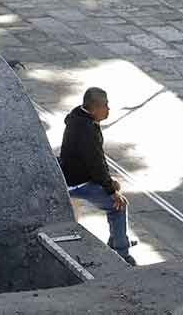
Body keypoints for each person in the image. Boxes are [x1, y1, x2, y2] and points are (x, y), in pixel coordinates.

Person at [59, 87, 137, 266]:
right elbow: (95, 163)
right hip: (79, 182)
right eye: (106, 105)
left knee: (114, 190)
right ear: (94, 108)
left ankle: (117, 240)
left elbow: (97, 161)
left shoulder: (78, 117)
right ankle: (122, 252)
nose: (109, 109)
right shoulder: (87, 130)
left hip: (73, 173)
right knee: (119, 205)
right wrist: (111, 189)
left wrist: (110, 182)